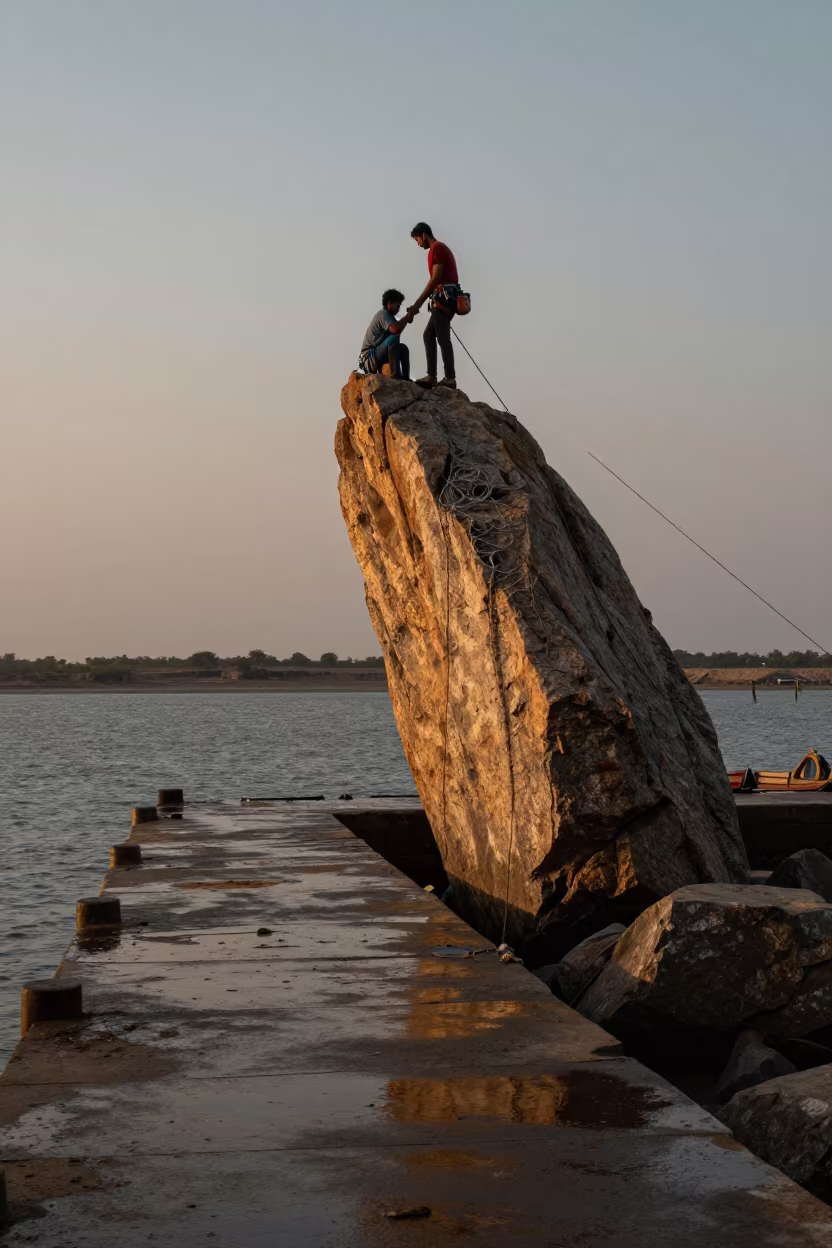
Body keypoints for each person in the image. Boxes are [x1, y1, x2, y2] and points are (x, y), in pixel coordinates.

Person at [408, 223, 460, 390]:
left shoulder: (436, 249)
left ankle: (449, 377)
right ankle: (432, 375)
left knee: (442, 337)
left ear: (423, 235)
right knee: (429, 334)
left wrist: (417, 304)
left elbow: (435, 278)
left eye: (417, 239)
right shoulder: (438, 248)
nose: (417, 243)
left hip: (444, 299)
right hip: (446, 298)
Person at [358, 289, 416, 380]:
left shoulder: (390, 317)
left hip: (379, 353)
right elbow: (395, 329)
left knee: (403, 348)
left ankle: (405, 378)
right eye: (398, 304)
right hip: (369, 357)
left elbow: (398, 327)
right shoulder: (383, 314)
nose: (399, 307)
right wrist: (407, 317)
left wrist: (408, 317)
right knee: (394, 338)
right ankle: (396, 374)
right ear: (390, 302)